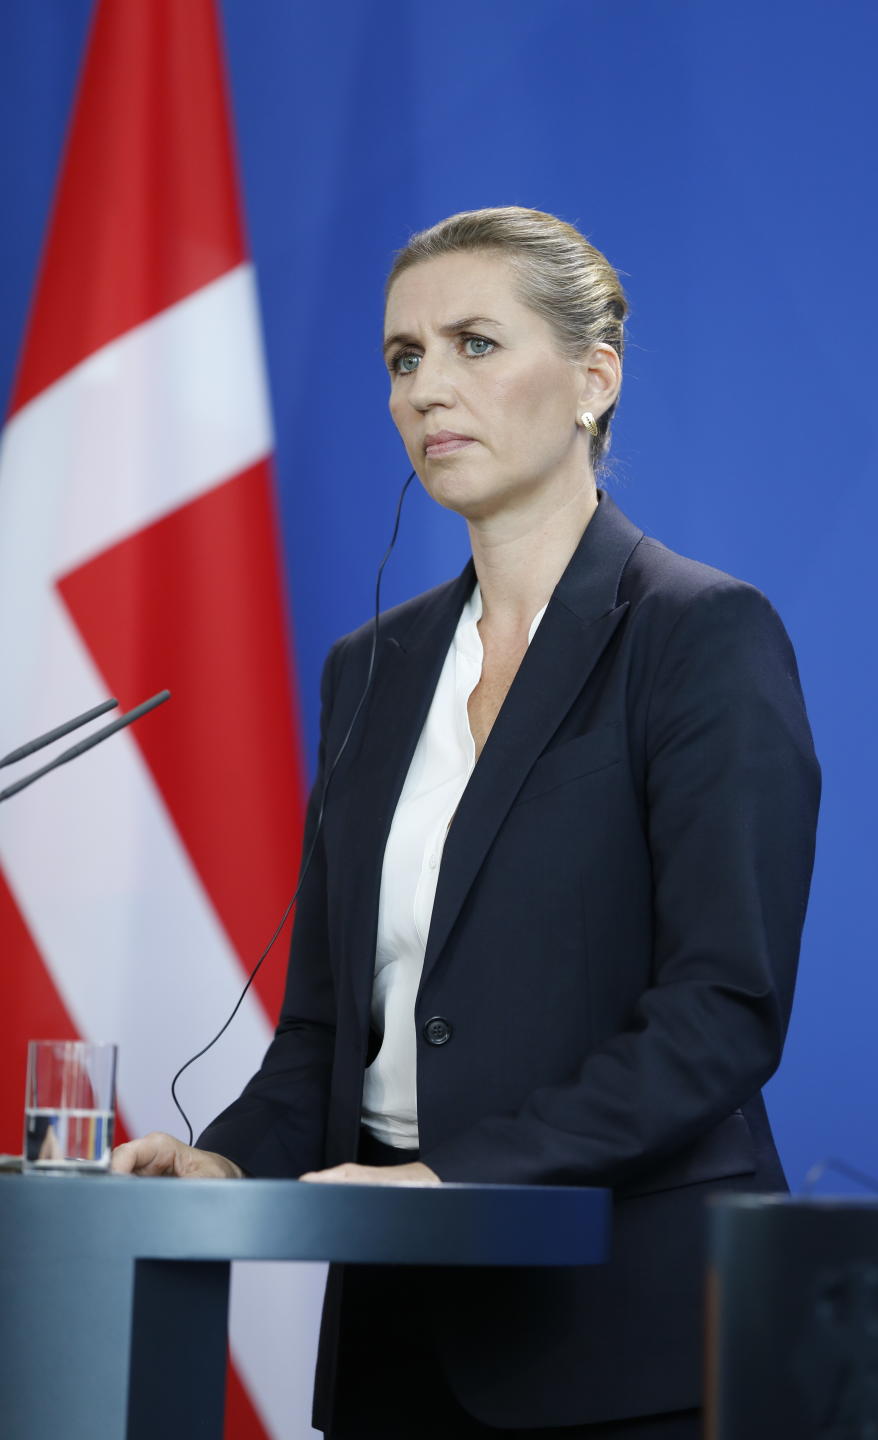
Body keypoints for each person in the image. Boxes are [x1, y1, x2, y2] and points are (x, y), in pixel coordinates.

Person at [113, 207, 821, 1438]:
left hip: (624, 1340)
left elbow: (721, 1015)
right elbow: (330, 1034)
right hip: (397, 1345)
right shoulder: (368, 670)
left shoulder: (701, 638)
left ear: (595, 379)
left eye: (475, 344)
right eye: (403, 357)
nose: (429, 388)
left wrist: (453, 1182)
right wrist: (223, 1164)